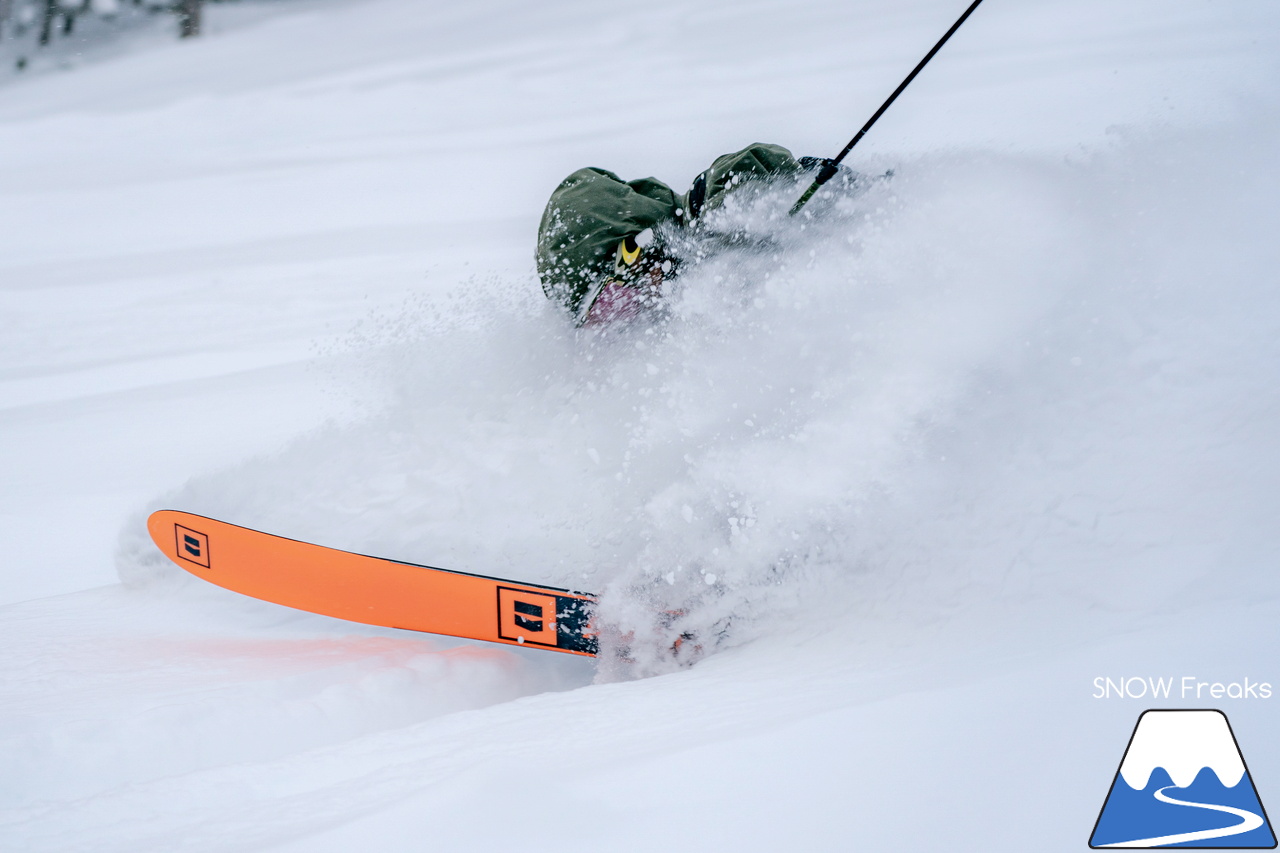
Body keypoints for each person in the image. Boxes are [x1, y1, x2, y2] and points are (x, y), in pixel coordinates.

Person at [536, 143, 842, 327]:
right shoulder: (659, 312)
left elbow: (746, 173)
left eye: (619, 295)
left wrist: (744, 215)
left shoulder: (705, 218)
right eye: (605, 313)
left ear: (641, 246)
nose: (633, 308)